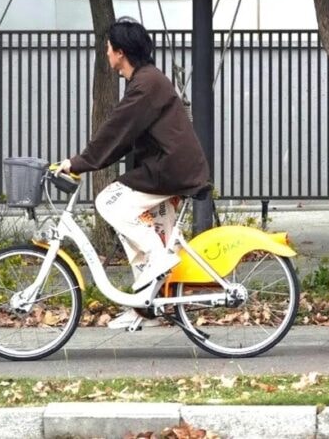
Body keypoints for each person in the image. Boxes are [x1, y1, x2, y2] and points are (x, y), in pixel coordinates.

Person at [51, 17, 211, 330]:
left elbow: (116, 130)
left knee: (108, 201)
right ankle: (144, 309)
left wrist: (78, 162)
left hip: (170, 169)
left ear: (120, 52)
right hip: (171, 168)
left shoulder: (145, 85)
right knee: (139, 235)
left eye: (108, 47)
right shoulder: (145, 80)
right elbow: (125, 135)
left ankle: (159, 259)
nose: (106, 53)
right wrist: (88, 161)